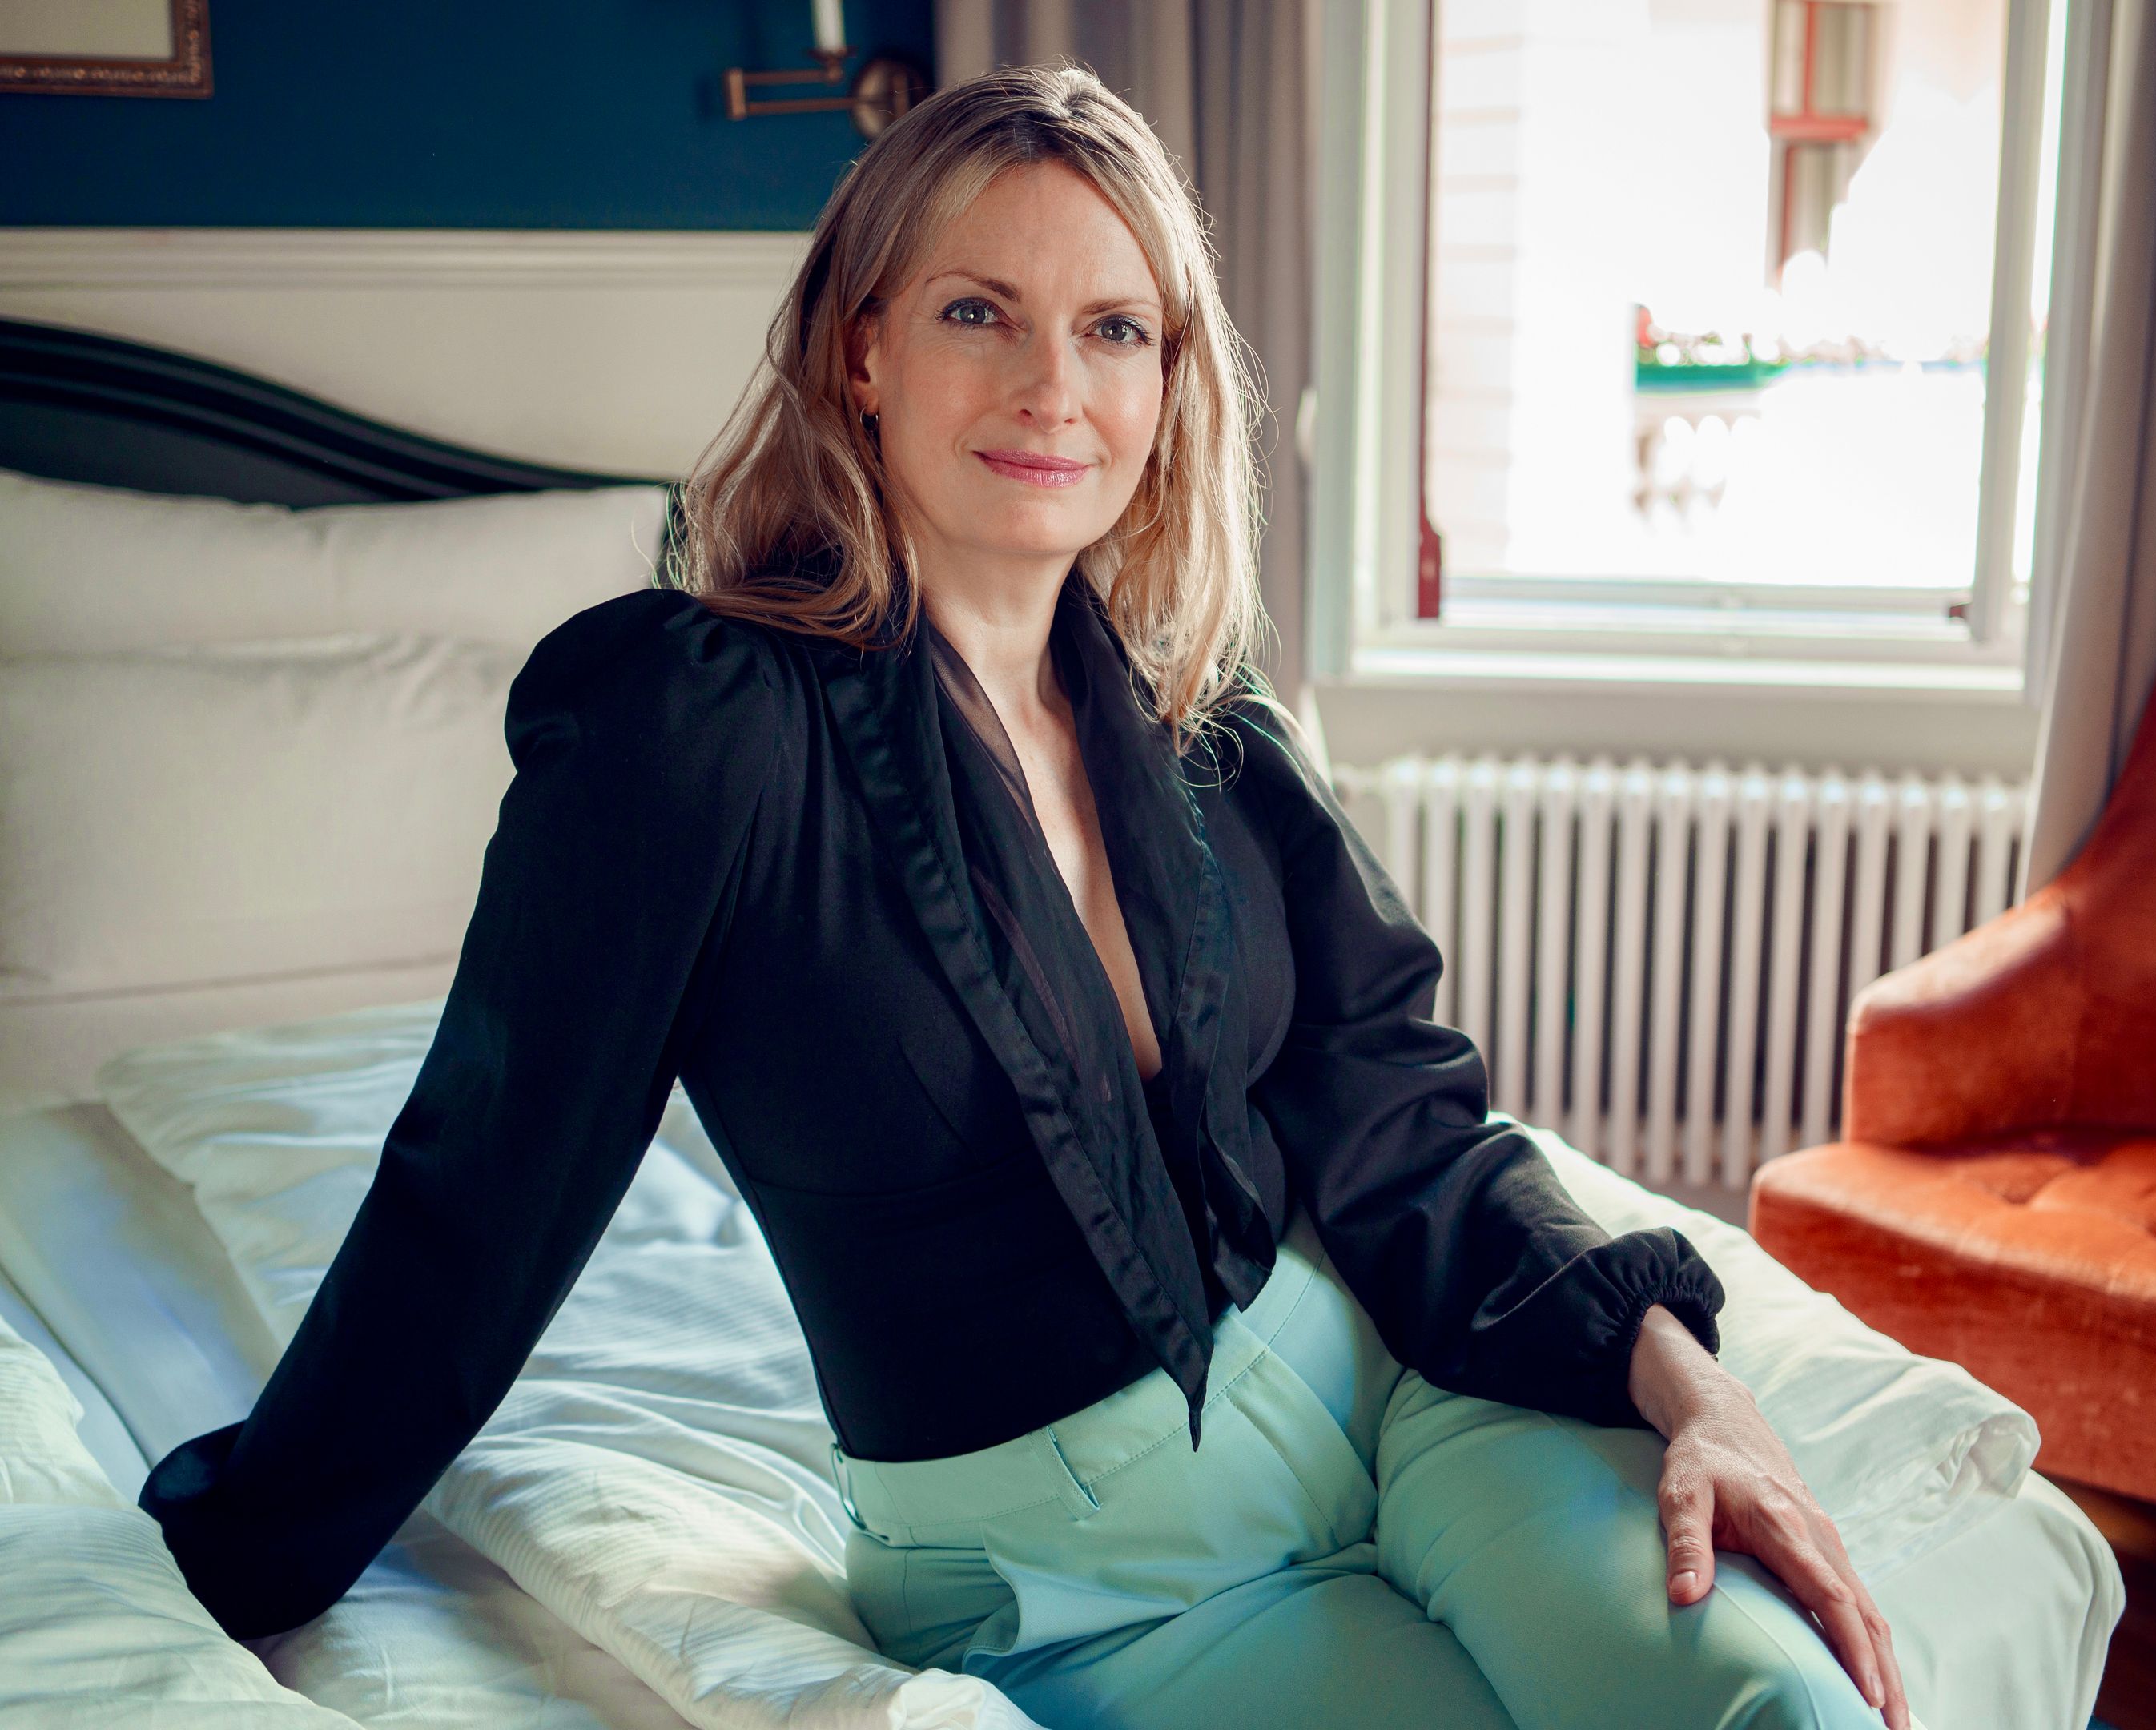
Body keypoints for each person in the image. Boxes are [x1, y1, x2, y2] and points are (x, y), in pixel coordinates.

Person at [143, 63, 1909, 1730]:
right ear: (861, 350)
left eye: (1114, 329)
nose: (1053, 387)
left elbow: (1405, 1129)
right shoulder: (697, 724)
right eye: (979, 312)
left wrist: (1694, 1388)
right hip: (1075, 1577)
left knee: (1784, 1711)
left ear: (1167, 382)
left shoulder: (1210, 723)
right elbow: (481, 1191)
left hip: (1418, 1394)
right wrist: (225, 1570)